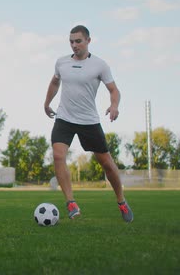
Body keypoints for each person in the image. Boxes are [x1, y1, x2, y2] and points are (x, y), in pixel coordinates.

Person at [43, 25, 133, 223]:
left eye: (78, 41)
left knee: (107, 165)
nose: (74, 45)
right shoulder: (62, 62)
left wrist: (114, 105)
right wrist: (47, 103)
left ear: (88, 41)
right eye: (71, 41)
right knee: (58, 156)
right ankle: (71, 203)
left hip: (88, 121)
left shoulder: (100, 65)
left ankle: (121, 201)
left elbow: (114, 90)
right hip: (64, 118)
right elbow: (54, 83)